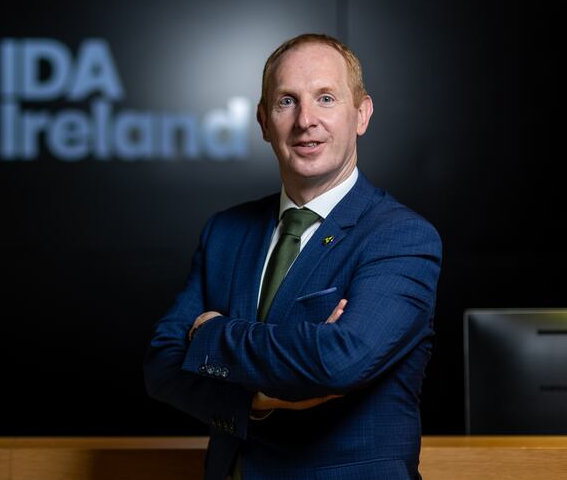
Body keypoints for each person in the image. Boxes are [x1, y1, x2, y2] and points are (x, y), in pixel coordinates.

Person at [143, 33, 442, 480]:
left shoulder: (401, 237)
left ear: (361, 114)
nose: (306, 120)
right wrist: (256, 400)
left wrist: (210, 335)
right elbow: (162, 365)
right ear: (264, 121)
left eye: (326, 98)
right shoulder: (225, 232)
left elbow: (338, 361)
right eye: (287, 101)